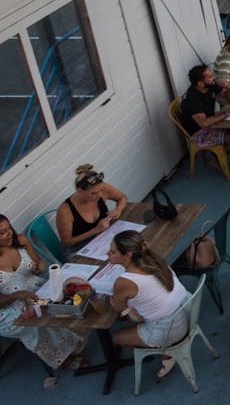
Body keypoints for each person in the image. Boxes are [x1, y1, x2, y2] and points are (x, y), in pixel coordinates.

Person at [0, 214, 86, 388]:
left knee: (63, 300)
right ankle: (63, 358)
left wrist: (39, 265)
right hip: (9, 308)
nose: (9, 234)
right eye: (2, 232)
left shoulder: (21, 241)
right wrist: (17, 295)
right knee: (40, 320)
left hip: (35, 290)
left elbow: (37, 264)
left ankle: (72, 342)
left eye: (9, 228)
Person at [108, 230, 192, 377]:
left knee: (116, 338)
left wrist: (118, 305)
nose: (107, 253)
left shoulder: (123, 282)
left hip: (169, 329)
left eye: (112, 252)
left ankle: (167, 352)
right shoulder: (155, 259)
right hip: (188, 312)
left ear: (127, 255)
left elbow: (121, 310)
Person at [178, 64, 230, 157]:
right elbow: (204, 123)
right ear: (200, 83)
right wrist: (226, 114)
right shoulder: (192, 99)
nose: (214, 77)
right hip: (198, 132)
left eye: (212, 74)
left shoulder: (210, 85)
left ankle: (221, 146)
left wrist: (229, 87)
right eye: (210, 76)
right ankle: (218, 157)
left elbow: (228, 98)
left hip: (210, 120)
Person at [56, 164, 129, 248]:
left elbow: (122, 197)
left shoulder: (101, 189)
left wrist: (118, 210)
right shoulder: (65, 211)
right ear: (80, 191)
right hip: (82, 248)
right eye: (93, 193)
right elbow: (66, 243)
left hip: (105, 237)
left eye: (101, 190)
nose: (99, 195)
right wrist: (96, 230)